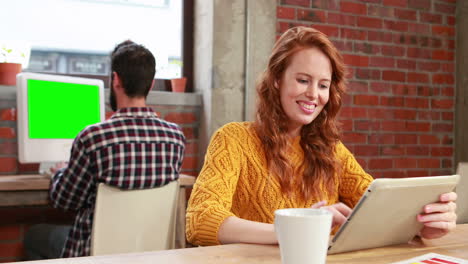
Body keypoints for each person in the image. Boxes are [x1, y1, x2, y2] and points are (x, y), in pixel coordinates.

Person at [185, 26, 457, 246]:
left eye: (323, 85)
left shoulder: (332, 150)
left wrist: (422, 225)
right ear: (277, 79)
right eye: (303, 80)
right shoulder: (234, 139)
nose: (314, 94)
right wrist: (298, 227)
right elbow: (200, 220)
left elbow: (377, 206)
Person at [24, 40, 186, 259]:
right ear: (150, 84)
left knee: (34, 235)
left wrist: (59, 173)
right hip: (149, 253)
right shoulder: (175, 137)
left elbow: (65, 200)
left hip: (93, 254)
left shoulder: (93, 138)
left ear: (116, 79)